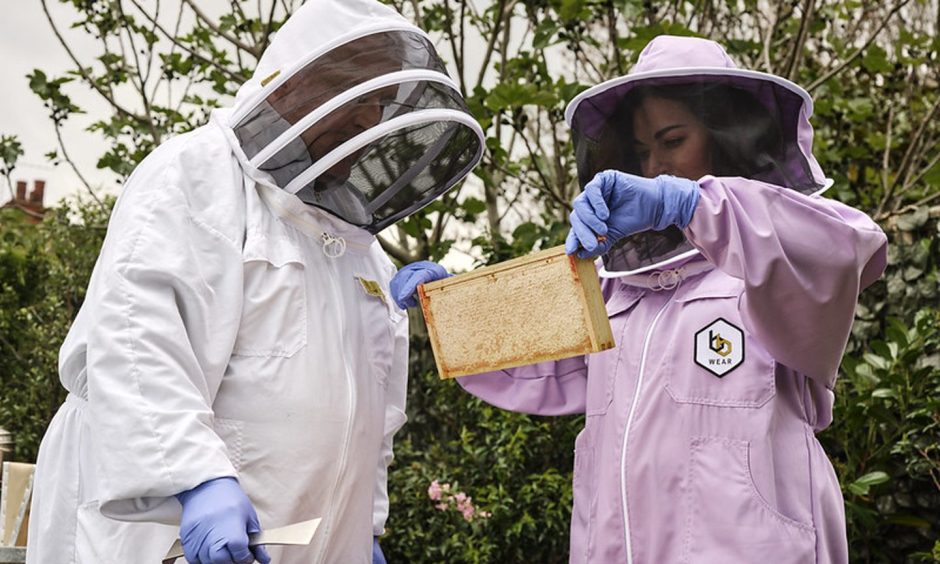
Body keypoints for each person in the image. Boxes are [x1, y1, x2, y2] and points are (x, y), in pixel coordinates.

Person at [390, 35, 887, 563]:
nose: (654, 167)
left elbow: (846, 247)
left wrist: (693, 204)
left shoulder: (771, 267)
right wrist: (453, 313)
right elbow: (547, 370)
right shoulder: (617, 286)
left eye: (673, 140)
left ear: (726, 136)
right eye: (643, 151)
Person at [26, 1, 483, 562]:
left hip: (307, 536)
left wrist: (366, 523)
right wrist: (197, 479)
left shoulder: (355, 247)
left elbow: (371, 415)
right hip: (164, 528)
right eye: (361, 98)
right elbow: (136, 340)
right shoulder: (194, 177)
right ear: (299, 86)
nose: (372, 121)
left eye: (381, 104)